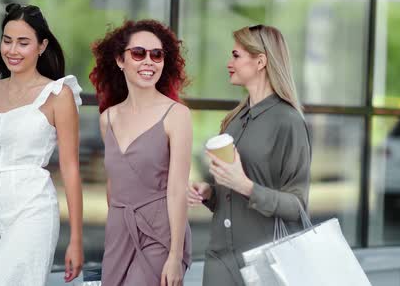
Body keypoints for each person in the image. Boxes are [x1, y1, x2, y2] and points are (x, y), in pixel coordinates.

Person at [0, 3, 83, 286]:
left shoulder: (58, 95)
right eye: (7, 40)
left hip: (32, 208)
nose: (12, 50)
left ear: (42, 46)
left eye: (23, 42)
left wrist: (76, 239)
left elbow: (71, 169)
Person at [188, 24, 312, 286]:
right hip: (220, 257)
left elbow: (297, 206)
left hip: (266, 261)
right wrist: (210, 193)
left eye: (235, 55)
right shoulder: (233, 120)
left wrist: (246, 186)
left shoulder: (288, 122)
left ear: (260, 61)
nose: (228, 63)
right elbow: (229, 192)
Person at [90, 19, 192, 286]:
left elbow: (177, 189)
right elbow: (114, 185)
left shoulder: (176, 115)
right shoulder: (107, 119)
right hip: (118, 232)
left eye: (156, 54)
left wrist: (175, 255)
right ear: (120, 60)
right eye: (138, 53)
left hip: (160, 233)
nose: (149, 61)